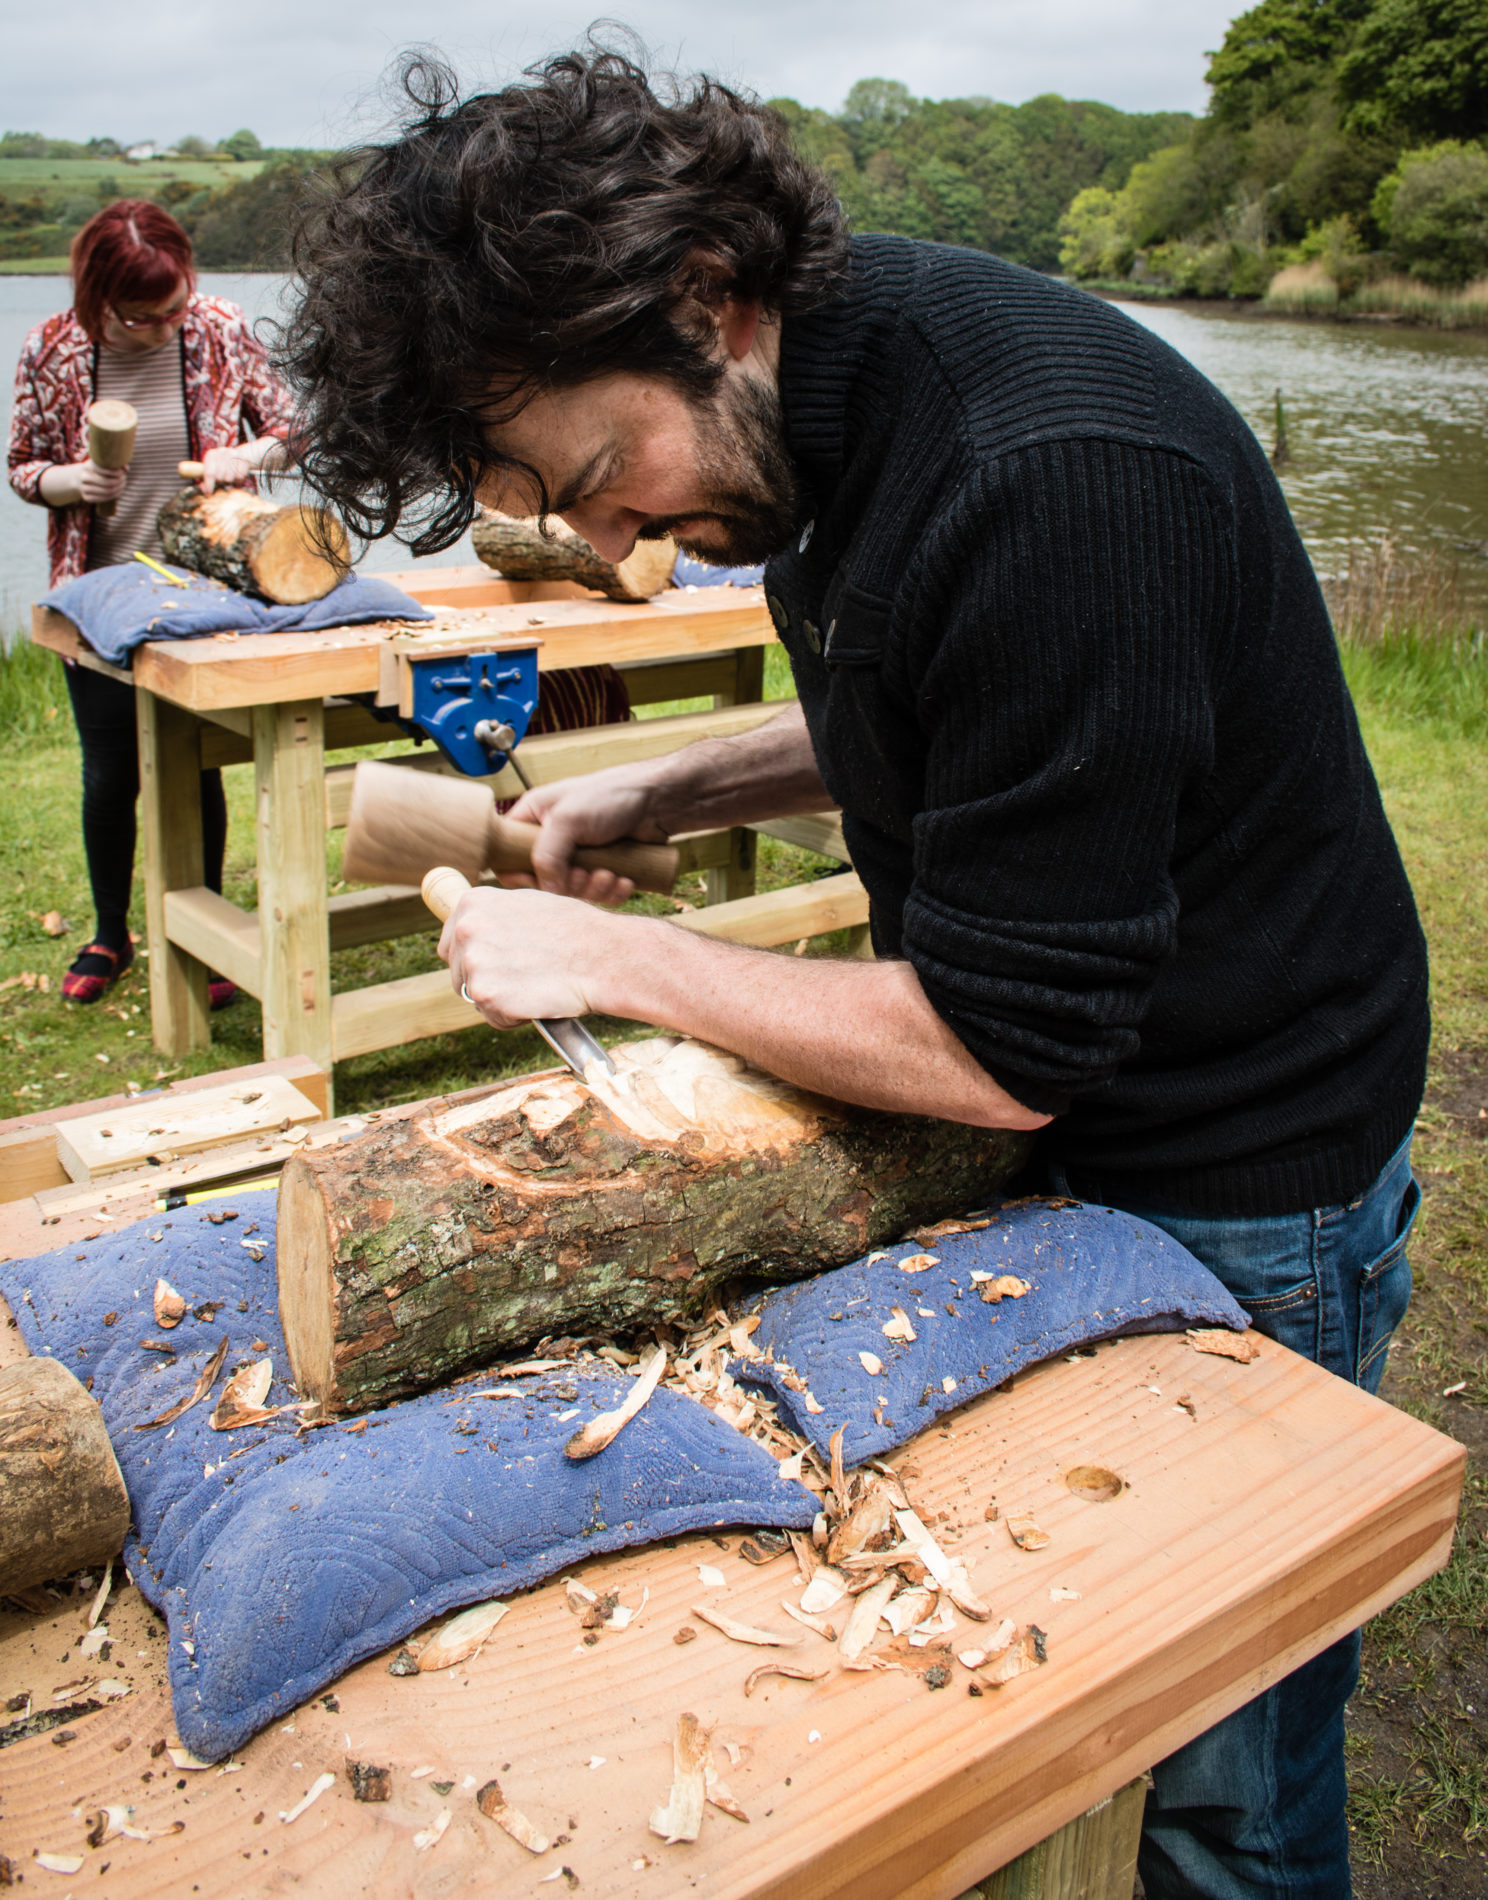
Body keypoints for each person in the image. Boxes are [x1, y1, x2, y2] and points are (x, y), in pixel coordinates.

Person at [280, 51, 1429, 1899]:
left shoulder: (1041, 468)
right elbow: (940, 696)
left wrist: (623, 957)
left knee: (1223, 1776)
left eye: (593, 478)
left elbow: (999, 1049)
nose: (609, 546)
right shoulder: (823, 414)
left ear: (707, 304)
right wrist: (675, 778)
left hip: (1245, 1152)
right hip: (1089, 1100)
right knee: (1071, 1668)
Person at [8, 199, 295, 1004]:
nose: (168, 327)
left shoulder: (219, 326)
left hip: (202, 592)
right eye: (143, 319)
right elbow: (23, 465)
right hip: (96, 596)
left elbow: (290, 430)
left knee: (194, 766)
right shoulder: (52, 349)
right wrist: (72, 481)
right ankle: (109, 934)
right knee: (110, 775)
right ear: (100, 299)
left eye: (176, 308)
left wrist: (245, 454)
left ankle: (202, 935)